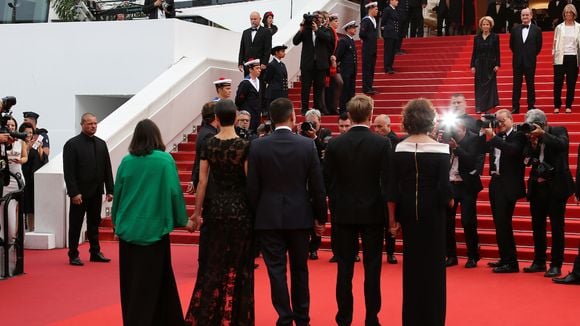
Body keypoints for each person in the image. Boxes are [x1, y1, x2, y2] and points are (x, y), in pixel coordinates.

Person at [247, 98, 327, 326]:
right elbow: (317, 187)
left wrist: (256, 214)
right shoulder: (306, 145)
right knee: (300, 269)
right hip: (299, 216)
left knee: (276, 270)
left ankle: (284, 317)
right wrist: (321, 217)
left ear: (271, 119)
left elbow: (252, 187)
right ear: (293, 117)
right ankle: (302, 318)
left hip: (268, 217)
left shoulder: (258, 146)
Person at [184, 100, 255, 325]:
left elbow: (202, 182)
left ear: (216, 117)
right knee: (240, 266)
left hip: (215, 210)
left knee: (213, 264)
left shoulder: (209, 145)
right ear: (235, 118)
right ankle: (236, 318)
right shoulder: (244, 146)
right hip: (239, 211)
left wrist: (196, 213)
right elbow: (249, 182)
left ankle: (207, 317)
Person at [111, 119, 187, 326]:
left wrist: (116, 222)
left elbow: (118, 192)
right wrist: (183, 220)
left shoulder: (127, 161)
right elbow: (174, 192)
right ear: (156, 136)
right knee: (159, 280)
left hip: (129, 230)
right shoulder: (164, 160)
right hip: (156, 230)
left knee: (131, 283)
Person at [324, 95, 391, 326]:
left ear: (349, 116)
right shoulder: (382, 143)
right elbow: (388, 182)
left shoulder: (334, 144)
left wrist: (336, 201)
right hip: (373, 214)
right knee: (373, 269)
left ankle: (344, 319)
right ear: (371, 116)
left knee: (344, 269)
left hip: (343, 213)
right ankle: (372, 319)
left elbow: (327, 180)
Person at [387, 98, 452, 326]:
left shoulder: (399, 148)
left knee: (412, 269)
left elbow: (392, 189)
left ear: (407, 121)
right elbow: (445, 191)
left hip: (407, 213)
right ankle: (433, 319)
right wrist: (450, 201)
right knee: (434, 270)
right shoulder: (442, 150)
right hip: (433, 213)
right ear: (430, 120)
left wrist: (392, 220)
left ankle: (412, 320)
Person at [521, 109, 574, 278]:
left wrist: (543, 135)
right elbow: (526, 160)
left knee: (557, 227)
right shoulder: (530, 137)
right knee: (538, 226)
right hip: (538, 187)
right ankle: (539, 261)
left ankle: (556, 264)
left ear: (544, 124)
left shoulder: (559, 130)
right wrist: (533, 145)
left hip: (556, 187)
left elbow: (562, 145)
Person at [63, 113, 113, 266]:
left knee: (94, 223)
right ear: (82, 124)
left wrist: (110, 190)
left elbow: (107, 169)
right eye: (90, 123)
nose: (93, 126)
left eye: (95, 123)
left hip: (97, 191)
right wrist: (74, 192)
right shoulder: (72, 144)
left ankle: (95, 252)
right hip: (79, 194)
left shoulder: (101, 144)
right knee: (76, 224)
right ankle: (73, 254)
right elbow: (69, 171)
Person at [483, 109, 526, 273]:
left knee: (504, 222)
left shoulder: (519, 135)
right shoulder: (497, 136)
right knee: (498, 223)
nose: (499, 124)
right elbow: (482, 148)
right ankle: (504, 257)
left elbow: (513, 150)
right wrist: (485, 131)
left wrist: (493, 137)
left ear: (511, 119)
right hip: (496, 182)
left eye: (502, 121)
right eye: (497, 121)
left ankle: (511, 262)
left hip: (509, 185)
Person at [443, 120, 483, 268]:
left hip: (467, 186)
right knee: (448, 222)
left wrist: (456, 148)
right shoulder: (446, 139)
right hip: (450, 184)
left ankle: (473, 255)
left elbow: (471, 160)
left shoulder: (474, 139)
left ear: (464, 128)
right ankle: (451, 255)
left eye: (456, 129)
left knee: (468, 221)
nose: (453, 132)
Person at [300, 109, 332, 260]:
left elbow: (325, 152)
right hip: (303, 178)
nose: (312, 125)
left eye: (315, 122)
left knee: (318, 212)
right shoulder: (301, 134)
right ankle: (304, 245)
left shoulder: (325, 133)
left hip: (319, 176)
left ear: (320, 122)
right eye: (309, 122)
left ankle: (314, 247)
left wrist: (314, 138)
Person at [0, 117, 27, 276]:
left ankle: (10, 265)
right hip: (2, 181)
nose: (10, 128)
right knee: (4, 228)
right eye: (7, 125)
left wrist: (20, 160)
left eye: (12, 125)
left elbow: (25, 157)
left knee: (10, 229)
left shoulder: (20, 142)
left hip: (15, 179)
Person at [292, 11, 332, 114]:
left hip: (320, 65)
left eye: (317, 18)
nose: (315, 20)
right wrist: (301, 28)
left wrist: (317, 30)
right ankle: (304, 108)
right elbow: (295, 41)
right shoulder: (305, 30)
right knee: (305, 88)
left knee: (318, 88)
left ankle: (317, 108)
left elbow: (328, 39)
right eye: (314, 18)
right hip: (307, 64)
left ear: (321, 20)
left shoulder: (325, 30)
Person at [372, 114, 399, 264]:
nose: (377, 129)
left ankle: (390, 252)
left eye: (380, 126)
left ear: (388, 126)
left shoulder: (394, 140)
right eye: (375, 126)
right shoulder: (376, 141)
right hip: (376, 186)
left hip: (390, 186)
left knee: (390, 221)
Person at [510, 8, 542, 114]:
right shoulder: (514, 29)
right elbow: (512, 45)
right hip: (517, 61)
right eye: (523, 15)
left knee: (530, 84)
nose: (525, 17)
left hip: (530, 61)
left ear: (531, 16)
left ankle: (531, 106)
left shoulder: (537, 30)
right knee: (516, 85)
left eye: (527, 15)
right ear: (520, 16)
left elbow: (538, 47)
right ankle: (515, 106)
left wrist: (530, 55)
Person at [552, 4, 580, 114]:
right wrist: (554, 55)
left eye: (570, 13)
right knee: (558, 82)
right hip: (560, 58)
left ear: (574, 14)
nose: (568, 14)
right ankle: (557, 105)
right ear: (564, 14)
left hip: (574, 57)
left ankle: (568, 105)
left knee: (571, 82)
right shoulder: (559, 27)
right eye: (566, 12)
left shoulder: (578, 27)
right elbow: (554, 42)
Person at [186, 102, 218, 194]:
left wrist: (193, 180)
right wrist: (195, 180)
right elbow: (201, 160)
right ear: (216, 116)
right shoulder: (209, 135)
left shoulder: (204, 131)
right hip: (209, 187)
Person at [471, 16, 500, 113]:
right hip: (479, 64)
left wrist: (497, 64)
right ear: (481, 26)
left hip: (490, 65)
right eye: (483, 24)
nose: (485, 26)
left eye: (487, 24)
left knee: (489, 87)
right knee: (479, 87)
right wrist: (472, 66)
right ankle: (479, 107)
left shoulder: (495, 37)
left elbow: (497, 52)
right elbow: (474, 52)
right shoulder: (477, 38)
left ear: (490, 26)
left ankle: (487, 107)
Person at [19, 122, 44, 232]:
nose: (29, 135)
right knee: (21, 206)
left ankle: (31, 229)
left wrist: (40, 150)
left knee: (31, 207)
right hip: (21, 178)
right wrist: (27, 149)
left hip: (33, 181)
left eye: (31, 133)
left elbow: (42, 161)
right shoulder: (18, 144)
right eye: (26, 133)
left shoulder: (36, 146)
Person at [238, 11, 272, 76]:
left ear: (260, 19)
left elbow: (268, 49)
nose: (253, 21)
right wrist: (240, 63)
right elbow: (242, 48)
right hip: (248, 65)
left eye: (255, 19)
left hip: (260, 66)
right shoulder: (245, 32)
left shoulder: (266, 32)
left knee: (260, 85)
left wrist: (264, 63)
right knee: (248, 84)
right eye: (251, 19)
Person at [336, 20, 358, 113]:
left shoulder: (351, 40)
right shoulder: (344, 41)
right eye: (353, 28)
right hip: (346, 70)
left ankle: (350, 108)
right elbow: (339, 55)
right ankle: (343, 109)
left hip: (352, 70)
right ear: (348, 29)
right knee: (345, 90)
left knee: (351, 90)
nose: (355, 30)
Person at [235, 58, 263, 131]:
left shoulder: (259, 82)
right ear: (250, 70)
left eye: (259, 68)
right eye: (257, 68)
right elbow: (239, 100)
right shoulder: (245, 83)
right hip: (248, 116)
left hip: (257, 115)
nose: (260, 70)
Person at [325, 13, 344, 115]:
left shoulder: (335, 33)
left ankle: (334, 106)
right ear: (330, 22)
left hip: (334, 62)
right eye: (335, 21)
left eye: (338, 21)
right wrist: (332, 58)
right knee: (337, 83)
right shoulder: (329, 32)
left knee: (336, 84)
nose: (337, 23)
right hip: (329, 62)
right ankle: (332, 106)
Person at [360, 2, 379, 95]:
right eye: (375, 9)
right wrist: (368, 39)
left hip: (373, 48)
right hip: (367, 48)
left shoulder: (373, 20)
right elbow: (362, 34)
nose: (377, 11)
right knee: (367, 69)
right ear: (370, 9)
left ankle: (370, 86)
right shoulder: (366, 20)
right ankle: (366, 87)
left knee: (371, 68)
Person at [264, 44, 289, 109]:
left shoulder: (282, 64)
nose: (284, 53)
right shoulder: (272, 65)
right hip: (274, 94)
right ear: (276, 52)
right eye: (282, 51)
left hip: (282, 93)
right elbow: (266, 79)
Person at [382, 0, 401, 74]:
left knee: (392, 51)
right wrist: (384, 31)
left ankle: (390, 66)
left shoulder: (395, 9)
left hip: (394, 33)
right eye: (396, 0)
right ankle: (387, 67)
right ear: (391, 1)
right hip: (389, 33)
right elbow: (384, 22)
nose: (397, 2)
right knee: (388, 51)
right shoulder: (387, 9)